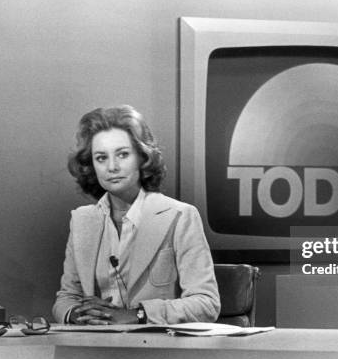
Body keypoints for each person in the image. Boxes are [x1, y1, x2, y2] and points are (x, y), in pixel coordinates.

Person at [52, 105, 220, 325]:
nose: (112, 167)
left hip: (160, 351)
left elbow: (206, 303)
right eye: (101, 158)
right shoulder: (82, 221)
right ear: (91, 165)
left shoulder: (180, 216)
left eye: (122, 155)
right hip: (96, 349)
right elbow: (66, 298)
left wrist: (138, 315)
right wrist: (76, 314)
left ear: (142, 158)